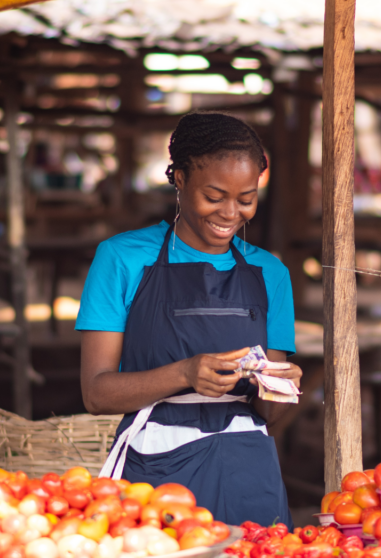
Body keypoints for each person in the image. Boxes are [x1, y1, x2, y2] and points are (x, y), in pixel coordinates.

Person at [76, 112, 302, 527]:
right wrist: (185, 373)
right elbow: (96, 394)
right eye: (214, 196)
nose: (230, 213)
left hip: (249, 470)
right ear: (179, 178)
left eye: (246, 199)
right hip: (157, 473)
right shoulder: (123, 258)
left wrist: (280, 388)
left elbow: (269, 413)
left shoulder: (271, 273)